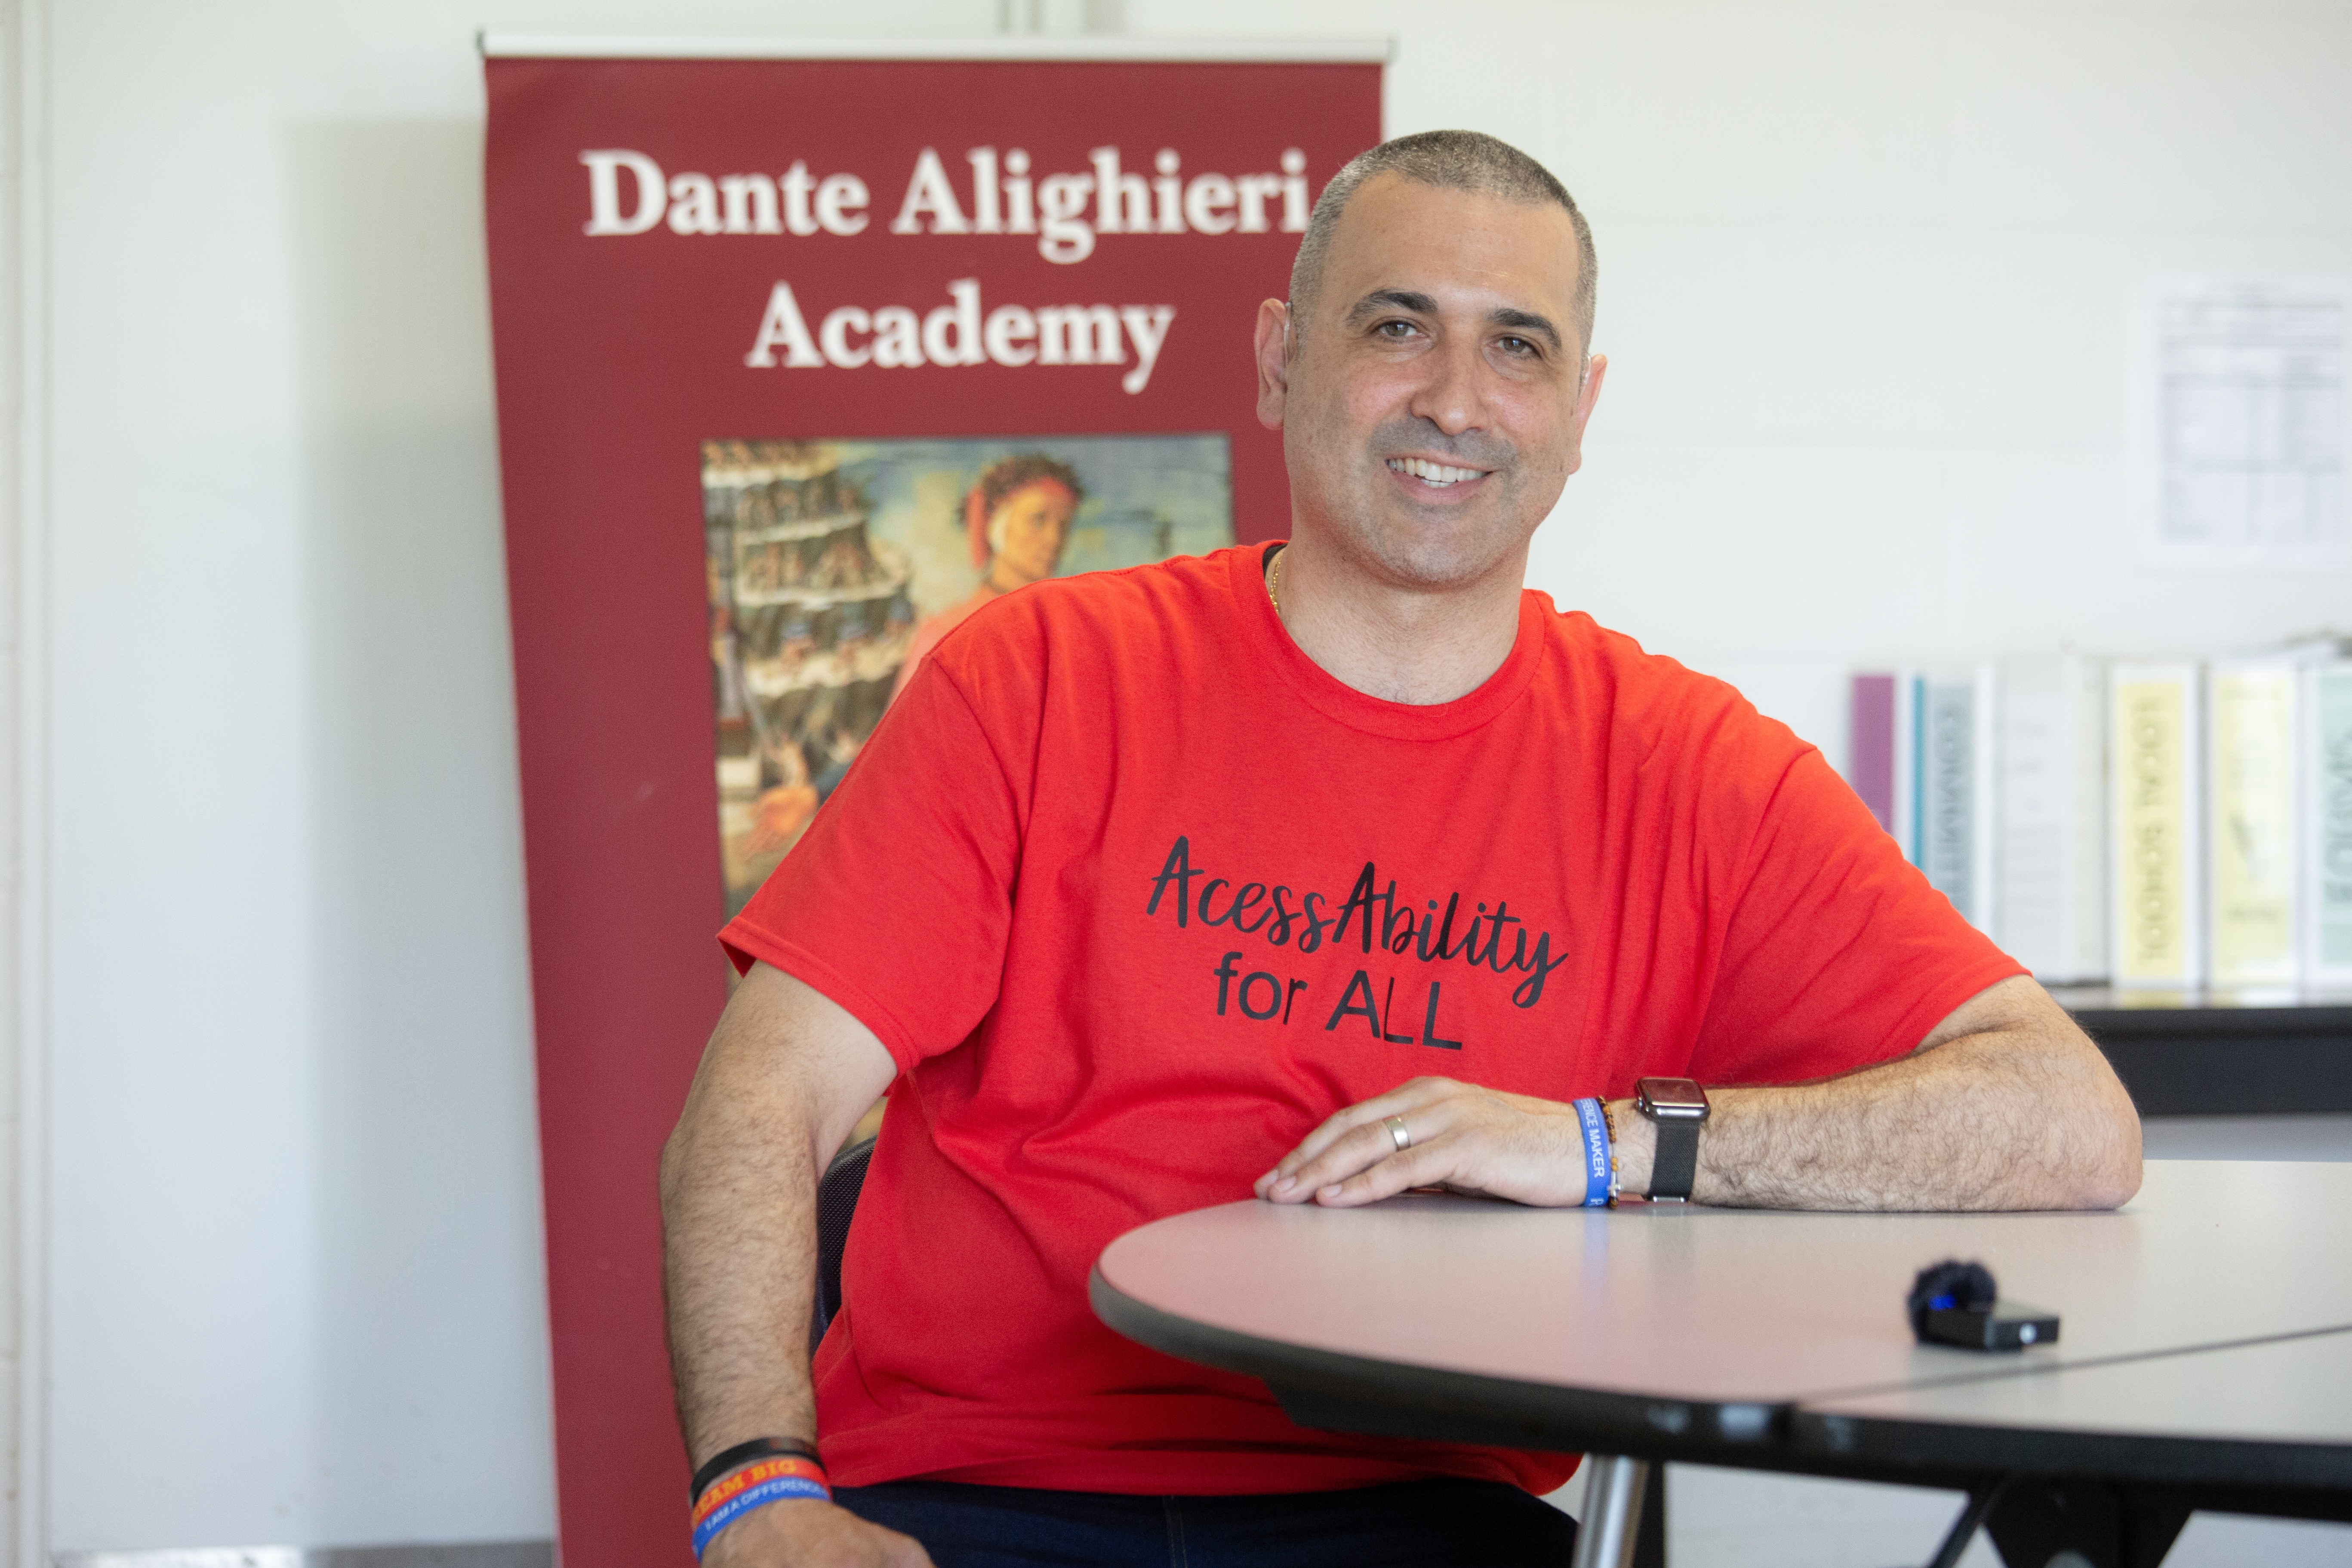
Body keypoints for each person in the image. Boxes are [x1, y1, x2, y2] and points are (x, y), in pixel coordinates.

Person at [660, 131, 2142, 1568]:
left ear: (1580, 408)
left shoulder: (1687, 769)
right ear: (1276, 358)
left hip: (1412, 1504)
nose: (1453, 398)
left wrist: (1608, 1147)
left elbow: (2066, 1119)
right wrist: (753, 1491)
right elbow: (761, 1095)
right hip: (975, 1484)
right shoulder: (1037, 676)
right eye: (1395, 326)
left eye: (1517, 346)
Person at [889, 454, 1084, 701]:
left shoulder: (1066, 632)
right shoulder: (946, 633)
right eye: (1038, 520)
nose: (1054, 540)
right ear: (997, 526)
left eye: (1064, 526)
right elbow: (910, 734)